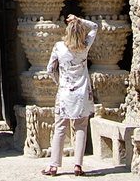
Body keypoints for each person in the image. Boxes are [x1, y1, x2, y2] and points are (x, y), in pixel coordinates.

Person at [42, 14, 99, 177]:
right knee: (81, 127)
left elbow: (50, 68)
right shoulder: (85, 46)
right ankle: (77, 165)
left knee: (60, 128)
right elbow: (95, 27)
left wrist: (59, 81)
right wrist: (79, 20)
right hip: (82, 93)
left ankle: (53, 166)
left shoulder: (59, 47)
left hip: (65, 93)